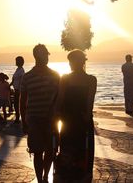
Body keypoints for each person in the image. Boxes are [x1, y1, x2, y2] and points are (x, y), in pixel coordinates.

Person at [54, 49, 97, 182]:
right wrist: (87, 117)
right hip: (82, 119)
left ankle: (68, 175)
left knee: (67, 149)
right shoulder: (91, 80)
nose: (70, 64)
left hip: (68, 120)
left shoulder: (65, 78)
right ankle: (82, 175)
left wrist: (55, 116)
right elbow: (90, 102)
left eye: (71, 61)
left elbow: (60, 99)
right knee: (83, 149)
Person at [20, 44, 60, 183]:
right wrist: (23, 121)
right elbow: (22, 100)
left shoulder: (55, 76)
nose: (47, 58)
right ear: (38, 56)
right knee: (37, 151)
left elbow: (59, 98)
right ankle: (40, 179)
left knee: (50, 150)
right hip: (35, 119)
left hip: (50, 119)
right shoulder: (27, 77)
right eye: (45, 55)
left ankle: (44, 177)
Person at [10, 56, 25, 123]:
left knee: (17, 104)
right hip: (15, 89)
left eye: (17, 61)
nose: (16, 62)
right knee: (15, 104)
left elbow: (22, 81)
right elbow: (13, 79)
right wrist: (9, 85)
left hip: (18, 90)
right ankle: (17, 117)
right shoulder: (17, 70)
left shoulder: (21, 70)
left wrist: (19, 89)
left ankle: (18, 118)